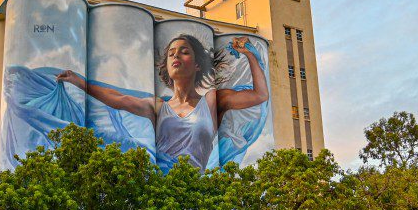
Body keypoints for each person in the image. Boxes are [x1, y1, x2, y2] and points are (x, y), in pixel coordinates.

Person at [57, 35, 268, 170]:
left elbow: (260, 95)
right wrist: (80, 82)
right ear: (167, 66)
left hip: (194, 192)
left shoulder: (212, 102)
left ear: (196, 65)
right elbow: (118, 99)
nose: (176, 55)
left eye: (184, 51)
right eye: (171, 53)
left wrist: (250, 54)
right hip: (161, 191)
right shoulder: (158, 107)